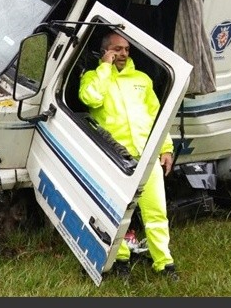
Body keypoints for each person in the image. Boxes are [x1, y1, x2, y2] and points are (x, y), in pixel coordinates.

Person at [78, 31, 179, 281]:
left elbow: (157, 117)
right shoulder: (93, 77)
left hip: (146, 156)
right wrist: (104, 67)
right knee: (116, 214)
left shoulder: (142, 79)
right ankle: (120, 259)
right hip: (115, 158)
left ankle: (164, 263)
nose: (122, 53)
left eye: (125, 49)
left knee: (156, 212)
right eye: (116, 49)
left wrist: (165, 148)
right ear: (105, 51)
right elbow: (90, 98)